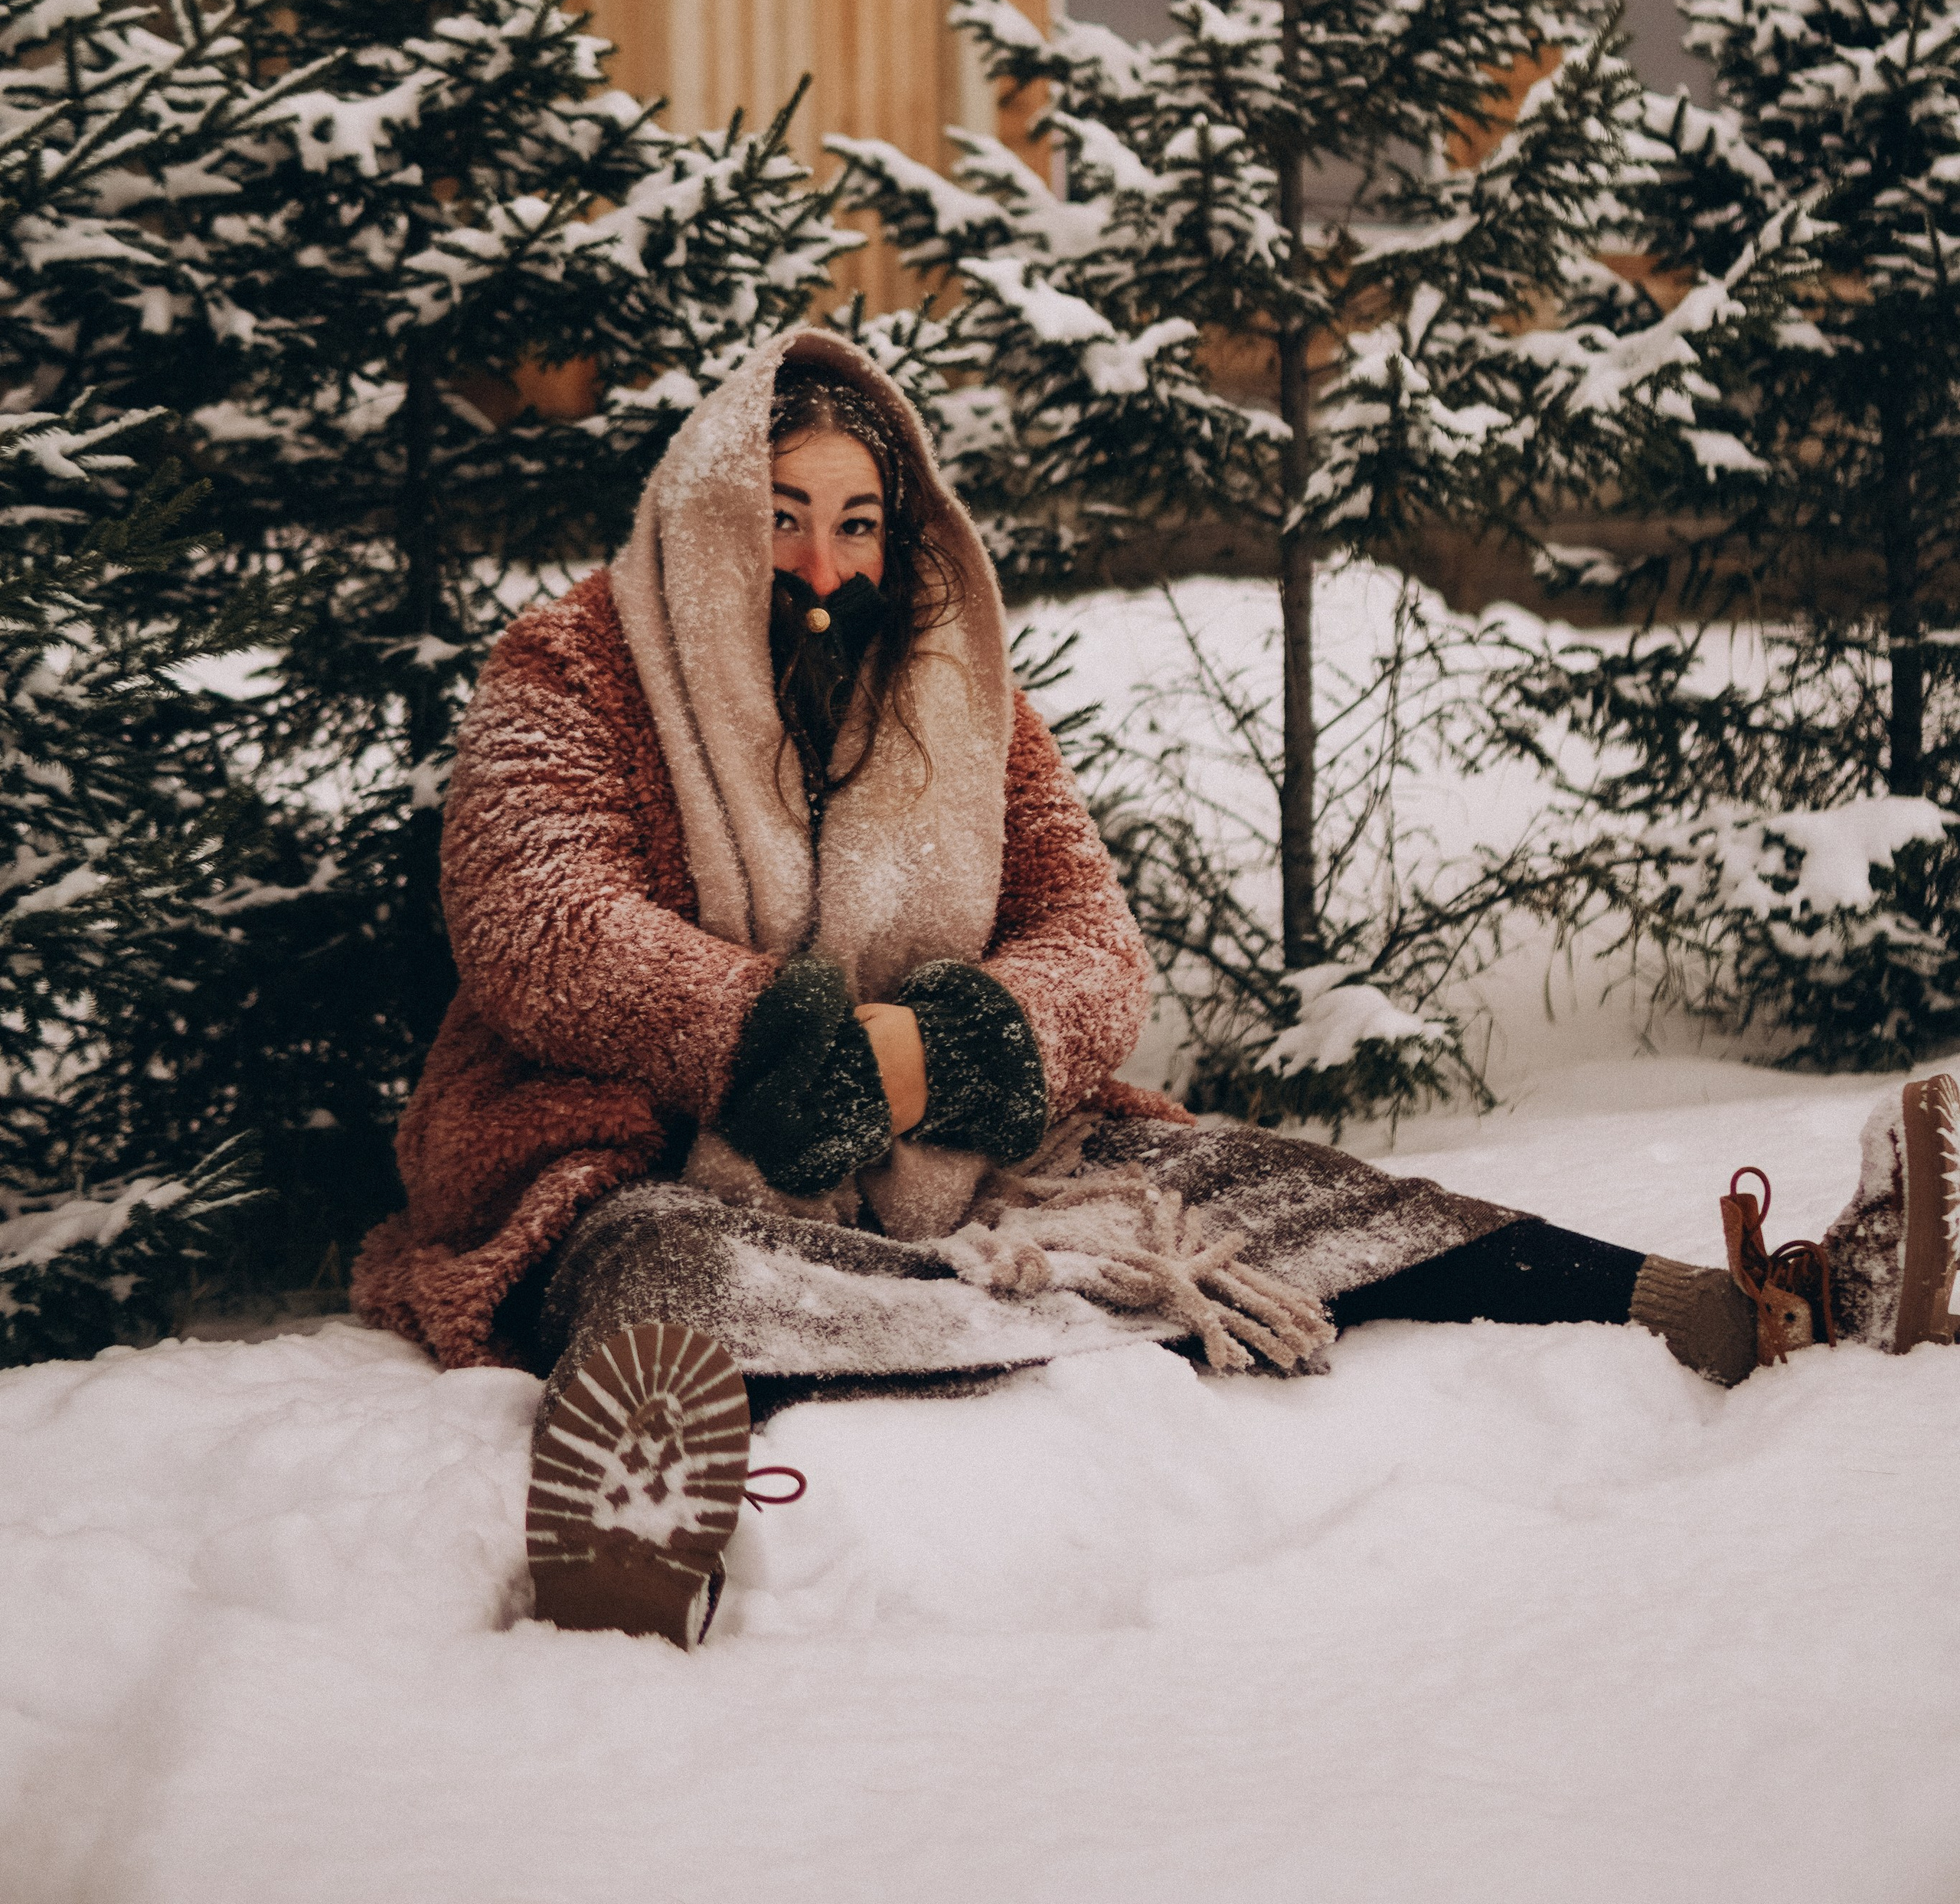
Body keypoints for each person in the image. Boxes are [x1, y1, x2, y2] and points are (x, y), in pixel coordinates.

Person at [354, 330, 1960, 1650]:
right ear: (712, 513)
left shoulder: (953, 687)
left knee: (1260, 1189)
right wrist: (769, 1037)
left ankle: (1743, 1309)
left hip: (966, 1160)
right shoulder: (574, 664)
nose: (824, 564)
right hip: (657, 1146)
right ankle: (645, 1519)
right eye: (782, 515)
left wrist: (955, 1049)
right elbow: (535, 911)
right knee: (655, 1260)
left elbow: (1089, 936)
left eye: (858, 523)